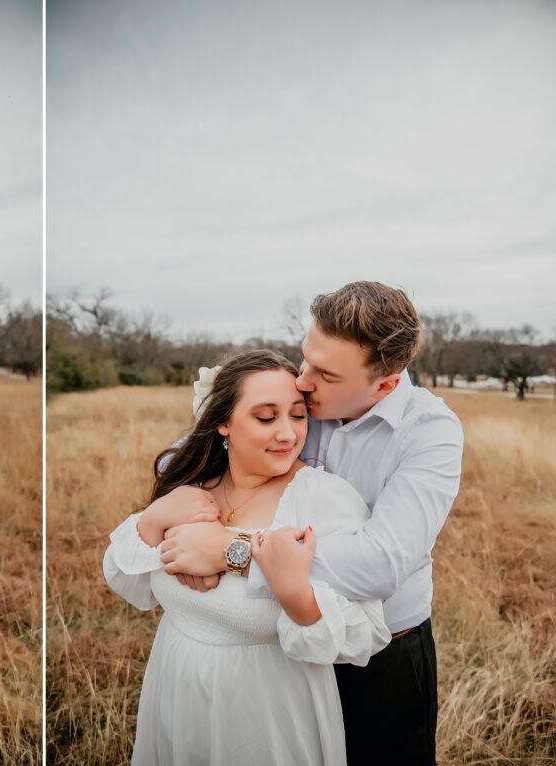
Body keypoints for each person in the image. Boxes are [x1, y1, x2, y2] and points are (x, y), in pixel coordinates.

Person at [158, 282, 463, 766]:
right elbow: (184, 455)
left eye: (324, 373)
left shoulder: (431, 433)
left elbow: (380, 564)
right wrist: (189, 507)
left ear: (384, 384)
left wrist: (229, 551)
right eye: (305, 358)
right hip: (284, 658)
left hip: (379, 659)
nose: (302, 381)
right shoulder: (303, 400)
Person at [106, 349, 390, 765]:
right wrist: (154, 519)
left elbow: (367, 631)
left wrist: (292, 591)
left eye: (297, 415)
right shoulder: (192, 488)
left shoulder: (323, 499)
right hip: (175, 689)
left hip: (268, 712)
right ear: (224, 422)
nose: (289, 434)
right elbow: (131, 585)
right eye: (265, 417)